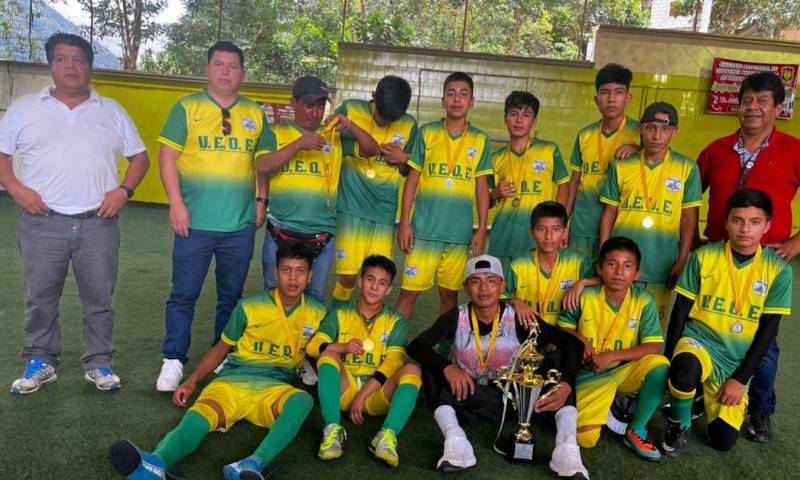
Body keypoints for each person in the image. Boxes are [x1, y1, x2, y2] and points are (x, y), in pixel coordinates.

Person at [0, 33, 149, 394]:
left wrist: (124, 191)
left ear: (90, 68)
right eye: (63, 59)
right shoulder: (24, 109)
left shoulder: (111, 110)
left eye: (79, 59)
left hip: (98, 222)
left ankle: (99, 362)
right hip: (41, 222)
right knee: (40, 297)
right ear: (51, 64)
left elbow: (139, 158)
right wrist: (17, 189)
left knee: (99, 297)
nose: (71, 66)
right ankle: (41, 360)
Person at [108, 243, 327, 480]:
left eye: (300, 271)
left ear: (310, 276)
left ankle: (251, 465)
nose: (293, 278)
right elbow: (222, 347)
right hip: (231, 382)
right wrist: (192, 381)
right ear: (276, 273)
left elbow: (323, 357)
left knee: (302, 400)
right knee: (198, 417)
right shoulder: (249, 306)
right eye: (286, 270)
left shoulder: (318, 313)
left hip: (274, 389)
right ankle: (155, 463)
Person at [407, 255, 588, 478]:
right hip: (470, 395)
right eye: (475, 281)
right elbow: (416, 346)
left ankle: (566, 450)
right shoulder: (456, 317)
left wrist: (567, 384)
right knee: (431, 366)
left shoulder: (520, 318)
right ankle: (456, 440)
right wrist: (448, 367)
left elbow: (573, 344)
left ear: (502, 285)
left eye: (491, 281)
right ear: (466, 286)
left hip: (515, 399)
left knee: (557, 361)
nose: (484, 288)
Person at [155, 41, 269, 392]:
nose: (225, 71)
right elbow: (166, 157)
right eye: (218, 64)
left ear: (242, 73)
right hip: (194, 223)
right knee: (184, 293)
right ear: (208, 68)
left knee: (231, 296)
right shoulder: (186, 107)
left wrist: (262, 198)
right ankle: (173, 359)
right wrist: (176, 203)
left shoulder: (256, 113)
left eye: (232, 66)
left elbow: (262, 163)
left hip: (239, 226)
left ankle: (219, 356)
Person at [697, 70, 800, 443]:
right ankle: (696, 396)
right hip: (715, 258)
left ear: (778, 108)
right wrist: (692, 240)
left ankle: (761, 410)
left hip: (765, 264)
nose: (753, 108)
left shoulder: (793, 150)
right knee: (704, 328)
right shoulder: (716, 150)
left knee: (764, 341)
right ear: (737, 106)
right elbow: (688, 196)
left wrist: (795, 243)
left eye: (762, 101)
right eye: (747, 101)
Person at [661, 189, 792, 456]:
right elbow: (681, 310)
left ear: (767, 225)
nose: (745, 229)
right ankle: (679, 423)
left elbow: (769, 331)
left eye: (754, 222)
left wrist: (740, 380)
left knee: (722, 442)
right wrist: (669, 359)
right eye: (737, 220)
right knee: (684, 368)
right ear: (726, 222)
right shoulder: (704, 256)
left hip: (735, 360)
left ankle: (699, 396)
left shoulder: (779, 270)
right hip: (699, 342)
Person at [255, 76, 379, 303]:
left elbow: (372, 150)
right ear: (293, 103)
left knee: (313, 297)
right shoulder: (276, 133)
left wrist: (350, 125)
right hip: (281, 228)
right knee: (273, 293)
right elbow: (262, 166)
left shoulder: (334, 136)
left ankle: (308, 339)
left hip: (322, 233)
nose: (315, 112)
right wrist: (297, 145)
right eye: (309, 105)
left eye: (321, 105)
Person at [558, 237, 669, 461]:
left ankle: (636, 429)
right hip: (591, 374)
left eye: (627, 266)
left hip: (623, 371)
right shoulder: (584, 296)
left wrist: (612, 356)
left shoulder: (643, 299)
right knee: (586, 440)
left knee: (660, 365)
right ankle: (611, 404)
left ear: (636, 273)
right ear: (599, 268)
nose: (619, 271)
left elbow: (654, 345)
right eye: (612, 264)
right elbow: (563, 329)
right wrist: (580, 339)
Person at [307, 255, 421, 467]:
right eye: (370, 279)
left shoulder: (396, 321)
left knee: (412, 369)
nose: (374, 287)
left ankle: (386, 435)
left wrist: (362, 396)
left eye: (382, 283)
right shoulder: (340, 313)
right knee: (328, 355)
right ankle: (332, 430)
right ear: (360, 280)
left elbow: (393, 362)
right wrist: (342, 347)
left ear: (388, 289)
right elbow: (314, 346)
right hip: (344, 390)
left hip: (377, 395)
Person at [395, 72, 493, 321]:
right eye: (451, 94)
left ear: (471, 101)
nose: (457, 100)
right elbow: (412, 179)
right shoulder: (427, 133)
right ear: (442, 100)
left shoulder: (480, 140)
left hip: (457, 237)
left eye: (463, 94)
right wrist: (405, 221)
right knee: (408, 294)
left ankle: (443, 352)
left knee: (450, 297)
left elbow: (482, 188)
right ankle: (392, 348)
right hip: (424, 231)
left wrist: (481, 229)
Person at [599, 102, 701, 326]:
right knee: (615, 323)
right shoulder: (622, 166)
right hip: (621, 261)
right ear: (642, 129)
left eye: (664, 129)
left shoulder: (687, 168)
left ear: (674, 131)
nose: (657, 135)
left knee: (650, 326)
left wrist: (682, 259)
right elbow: (609, 212)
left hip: (661, 261)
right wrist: (604, 251)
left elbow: (688, 218)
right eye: (651, 128)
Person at [330, 76, 418, 307]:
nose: (385, 121)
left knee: (377, 280)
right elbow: (329, 144)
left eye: (392, 119)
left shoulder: (409, 124)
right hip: (350, 208)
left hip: (383, 212)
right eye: (381, 115)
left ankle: (367, 329)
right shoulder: (351, 108)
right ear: (373, 97)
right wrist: (356, 146)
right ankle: (339, 325)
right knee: (348, 277)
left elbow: (412, 169)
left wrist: (403, 159)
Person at [565, 64, 640, 258]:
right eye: (605, 92)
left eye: (619, 92)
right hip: (582, 226)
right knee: (578, 282)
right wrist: (564, 223)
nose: (612, 99)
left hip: (620, 227)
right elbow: (574, 181)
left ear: (628, 98)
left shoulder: (640, 133)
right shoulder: (584, 135)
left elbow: (658, 157)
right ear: (596, 99)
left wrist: (641, 149)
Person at [488, 91, 570, 267]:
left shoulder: (549, 150)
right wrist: (495, 194)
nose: (519, 120)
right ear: (505, 119)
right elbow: (484, 201)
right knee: (503, 293)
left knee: (535, 292)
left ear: (534, 121)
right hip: (503, 240)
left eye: (526, 115)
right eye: (513, 114)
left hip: (539, 241)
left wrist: (558, 221)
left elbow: (564, 185)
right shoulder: (495, 158)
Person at [504, 201, 597, 328]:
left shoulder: (577, 261)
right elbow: (497, 298)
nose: (548, 236)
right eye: (541, 229)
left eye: (556, 229)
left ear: (564, 233)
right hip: (527, 339)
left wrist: (583, 282)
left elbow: (610, 279)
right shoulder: (518, 266)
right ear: (532, 233)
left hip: (565, 336)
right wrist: (515, 301)